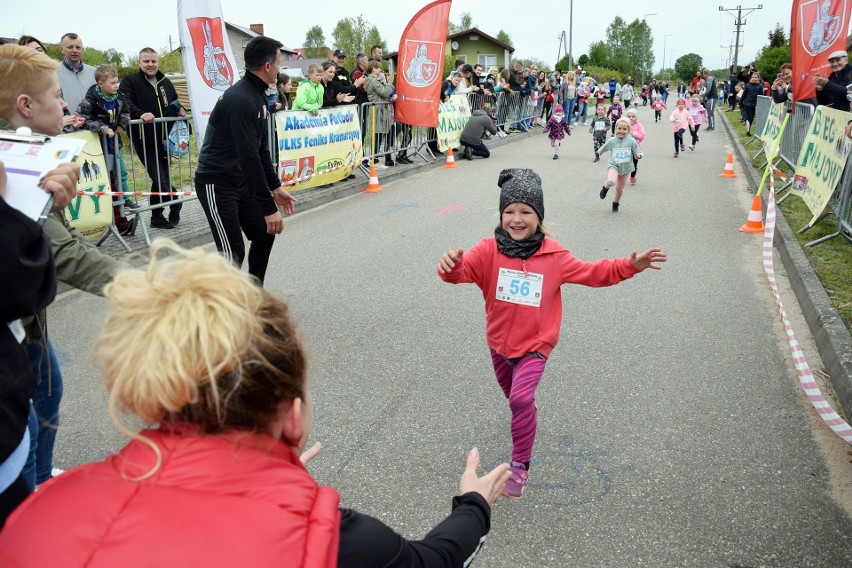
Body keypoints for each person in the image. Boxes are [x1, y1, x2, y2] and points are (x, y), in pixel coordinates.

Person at [0, 240, 512, 565]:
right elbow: (432, 561)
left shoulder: (35, 517)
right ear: (293, 416)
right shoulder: (337, 540)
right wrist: (474, 504)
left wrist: (274, 486)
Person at [437, 169, 666, 497]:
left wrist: (631, 266)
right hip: (498, 344)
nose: (517, 219)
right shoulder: (488, 250)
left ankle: (520, 466)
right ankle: (527, 413)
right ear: (501, 215)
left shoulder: (554, 255)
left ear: (539, 217)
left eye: (526, 212)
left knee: (519, 398)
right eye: (510, 212)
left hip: (535, 346)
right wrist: (450, 266)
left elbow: (593, 272)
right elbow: (461, 272)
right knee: (515, 399)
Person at [0, 43, 81, 527]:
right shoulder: (17, 165)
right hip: (13, 339)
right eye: (57, 94)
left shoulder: (28, 155)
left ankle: (37, 490)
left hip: (22, 334)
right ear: (25, 106)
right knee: (30, 414)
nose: (66, 104)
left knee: (45, 391)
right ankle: (31, 513)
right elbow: (38, 275)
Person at [194, 36, 296, 286]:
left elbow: (260, 149)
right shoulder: (240, 98)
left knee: (263, 234)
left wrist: (275, 187)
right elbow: (248, 157)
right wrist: (269, 207)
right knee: (232, 253)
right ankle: (215, 313)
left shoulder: (258, 95)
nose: (280, 69)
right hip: (216, 183)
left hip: (240, 181)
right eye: (280, 63)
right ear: (268, 66)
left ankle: (252, 297)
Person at [119, 47, 187, 228]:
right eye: (146, 61)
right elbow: (125, 103)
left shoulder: (165, 81)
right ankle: (177, 201)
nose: (150, 65)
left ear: (158, 62)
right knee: (161, 179)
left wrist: (180, 109)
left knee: (160, 179)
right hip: (144, 141)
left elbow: (173, 101)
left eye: (153, 61)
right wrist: (140, 114)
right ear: (139, 62)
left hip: (164, 141)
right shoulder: (130, 81)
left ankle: (156, 217)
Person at [75, 64, 138, 221]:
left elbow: (126, 111)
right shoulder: (89, 101)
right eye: (112, 83)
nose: (116, 85)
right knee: (105, 176)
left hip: (114, 143)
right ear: (101, 84)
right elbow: (83, 120)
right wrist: (102, 128)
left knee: (121, 171)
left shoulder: (119, 96)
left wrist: (121, 125)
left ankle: (126, 198)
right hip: (98, 146)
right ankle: (107, 205)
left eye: (117, 82)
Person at [597, 118, 642, 212]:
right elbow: (605, 147)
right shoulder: (612, 140)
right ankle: (605, 188)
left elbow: (637, 151)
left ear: (629, 130)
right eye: (619, 128)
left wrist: (638, 155)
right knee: (611, 181)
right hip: (613, 165)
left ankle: (615, 203)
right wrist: (599, 152)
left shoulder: (631, 141)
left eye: (624, 129)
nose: (621, 131)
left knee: (619, 189)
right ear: (616, 128)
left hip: (625, 168)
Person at [54, 33, 95, 118]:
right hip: (66, 128)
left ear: (82, 50)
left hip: (92, 127)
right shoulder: (52, 73)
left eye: (78, 47)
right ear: (61, 49)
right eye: (70, 47)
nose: (75, 50)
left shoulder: (94, 73)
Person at [364, 60, 396, 167]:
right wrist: (390, 83)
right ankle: (374, 160)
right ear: (373, 68)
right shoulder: (373, 81)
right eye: (378, 68)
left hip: (380, 110)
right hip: (378, 110)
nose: (380, 70)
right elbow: (385, 92)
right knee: (378, 135)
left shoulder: (373, 80)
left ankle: (374, 158)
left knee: (379, 134)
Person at [740, 71, 764, 136]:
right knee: (749, 117)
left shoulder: (760, 86)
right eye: (753, 77)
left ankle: (750, 130)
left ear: (758, 78)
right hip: (748, 104)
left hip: (756, 104)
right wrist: (741, 102)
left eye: (755, 77)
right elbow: (744, 95)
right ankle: (748, 131)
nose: (754, 78)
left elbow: (761, 95)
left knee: (752, 117)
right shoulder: (748, 85)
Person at [625, 109, 645, 185]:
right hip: (626, 149)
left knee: (634, 164)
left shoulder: (639, 125)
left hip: (635, 149)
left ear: (636, 117)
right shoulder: (625, 125)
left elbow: (642, 136)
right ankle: (622, 176)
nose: (631, 118)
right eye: (629, 116)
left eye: (633, 116)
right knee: (625, 163)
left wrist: (632, 133)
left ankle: (632, 176)